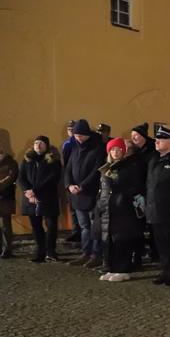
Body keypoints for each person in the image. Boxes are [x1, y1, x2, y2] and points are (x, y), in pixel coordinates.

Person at [96, 138, 147, 282]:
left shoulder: (130, 167)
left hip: (124, 210)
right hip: (107, 209)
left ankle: (123, 269)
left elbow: (137, 186)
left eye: (119, 149)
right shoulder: (106, 168)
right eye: (113, 149)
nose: (116, 152)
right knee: (109, 241)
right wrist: (100, 204)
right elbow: (102, 189)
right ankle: (111, 268)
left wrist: (122, 197)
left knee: (122, 240)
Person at [146, 126, 170, 286]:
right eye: (157, 139)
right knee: (161, 243)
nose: (157, 142)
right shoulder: (153, 160)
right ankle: (165, 270)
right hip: (154, 209)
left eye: (161, 139)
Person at [65, 119, 106, 267]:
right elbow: (68, 169)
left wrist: (82, 186)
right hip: (77, 194)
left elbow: (96, 170)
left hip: (91, 193)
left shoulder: (98, 148)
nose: (78, 138)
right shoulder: (75, 148)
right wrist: (69, 185)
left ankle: (96, 254)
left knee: (95, 226)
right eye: (76, 135)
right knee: (84, 226)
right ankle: (85, 253)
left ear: (87, 134)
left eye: (81, 135)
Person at [19, 136, 62, 263]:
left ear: (46, 145)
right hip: (31, 199)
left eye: (41, 143)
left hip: (48, 198)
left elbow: (53, 178)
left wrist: (35, 191)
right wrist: (28, 191)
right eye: (36, 143)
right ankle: (41, 252)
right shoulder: (27, 160)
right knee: (36, 226)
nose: (38, 145)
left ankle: (51, 252)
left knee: (51, 226)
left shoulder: (53, 160)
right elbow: (21, 178)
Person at [0, 146, 19, 259]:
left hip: (6, 197)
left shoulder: (11, 162)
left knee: (5, 224)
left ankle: (7, 249)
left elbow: (11, 177)